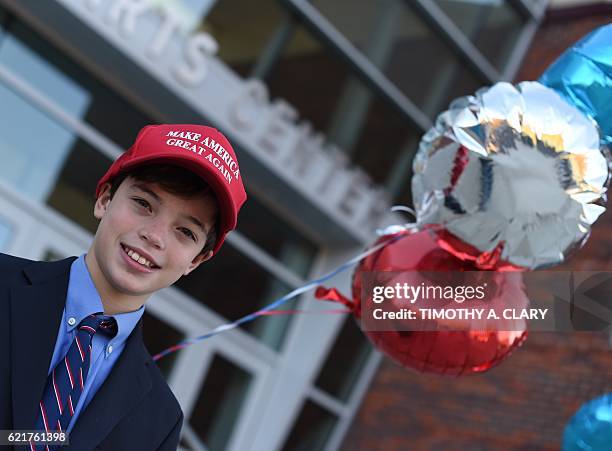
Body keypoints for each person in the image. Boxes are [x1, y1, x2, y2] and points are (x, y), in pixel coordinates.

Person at [0, 124, 247, 450]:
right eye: (144, 203)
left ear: (195, 261)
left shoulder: (160, 419)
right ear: (104, 199)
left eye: (185, 231)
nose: (155, 236)